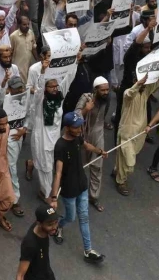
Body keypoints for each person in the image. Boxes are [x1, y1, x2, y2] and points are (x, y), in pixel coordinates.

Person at [49, 111, 106, 263]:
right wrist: (54, 197)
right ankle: (59, 226)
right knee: (70, 217)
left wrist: (100, 151)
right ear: (67, 127)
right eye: (76, 127)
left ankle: (88, 250)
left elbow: (86, 145)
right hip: (68, 190)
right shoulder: (60, 146)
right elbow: (58, 173)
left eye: (80, 126)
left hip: (82, 185)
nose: (80, 130)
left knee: (84, 217)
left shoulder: (77, 137)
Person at [29, 57, 76, 202]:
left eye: (56, 86)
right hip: (42, 140)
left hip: (55, 140)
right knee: (46, 168)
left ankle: (48, 188)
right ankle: (47, 194)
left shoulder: (59, 98)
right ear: (45, 88)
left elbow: (68, 78)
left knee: (54, 167)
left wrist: (76, 61)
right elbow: (38, 90)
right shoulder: (40, 101)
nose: (55, 88)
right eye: (51, 86)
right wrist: (43, 72)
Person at [74, 77, 109, 212]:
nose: (106, 92)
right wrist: (86, 110)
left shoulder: (106, 99)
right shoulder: (86, 98)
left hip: (98, 134)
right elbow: (75, 117)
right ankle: (76, 194)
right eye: (103, 90)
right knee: (80, 166)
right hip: (83, 134)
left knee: (97, 166)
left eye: (107, 89)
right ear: (95, 90)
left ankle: (93, 197)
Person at [15, 204, 59, 280]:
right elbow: (20, 275)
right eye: (50, 224)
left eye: (56, 222)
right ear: (39, 223)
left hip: (48, 277)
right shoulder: (30, 244)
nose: (54, 227)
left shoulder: (41, 224)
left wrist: (53, 200)